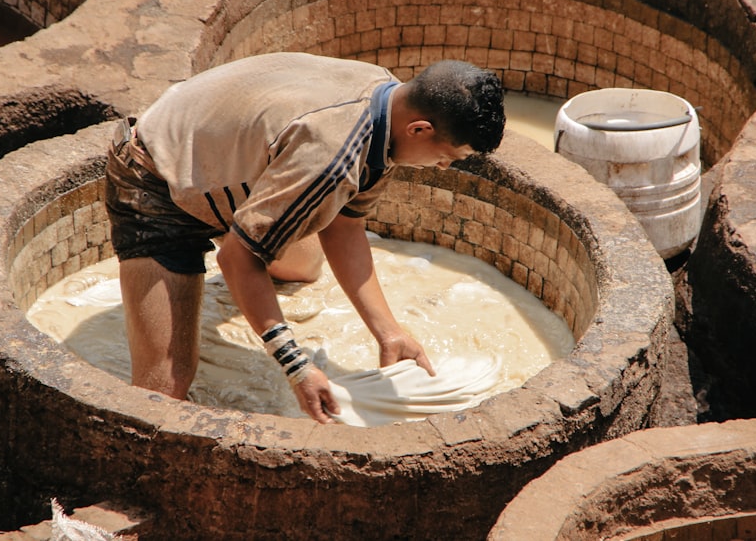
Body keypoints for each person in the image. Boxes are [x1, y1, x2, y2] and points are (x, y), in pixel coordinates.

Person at [105, 52, 505, 423]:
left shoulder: (388, 100)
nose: (442, 168)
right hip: (155, 177)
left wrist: (389, 332)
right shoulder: (331, 155)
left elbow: (344, 225)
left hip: (232, 163)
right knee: (164, 388)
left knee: (303, 265)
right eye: (448, 158)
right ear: (419, 129)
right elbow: (235, 260)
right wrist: (295, 365)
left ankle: (246, 227)